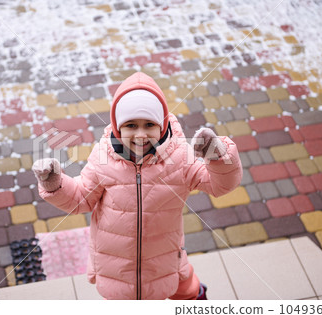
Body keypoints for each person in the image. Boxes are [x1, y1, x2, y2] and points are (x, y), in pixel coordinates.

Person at [32, 72, 242, 300]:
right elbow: (81, 198)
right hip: (116, 265)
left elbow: (219, 186)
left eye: (149, 125)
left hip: (165, 256)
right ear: (117, 126)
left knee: (184, 288)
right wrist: (55, 183)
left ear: (161, 126)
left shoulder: (180, 157)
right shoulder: (103, 156)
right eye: (131, 125)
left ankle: (195, 297)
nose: (141, 134)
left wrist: (218, 156)